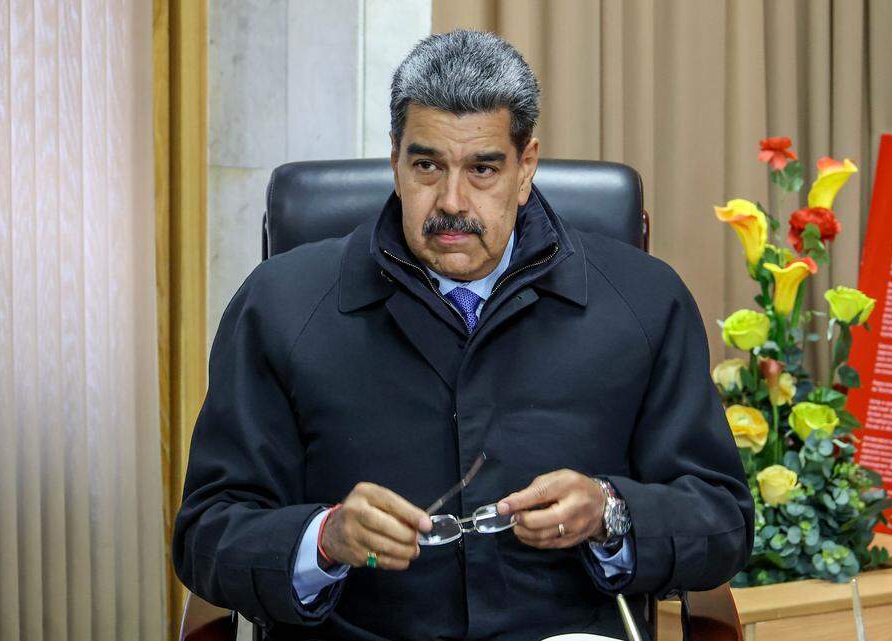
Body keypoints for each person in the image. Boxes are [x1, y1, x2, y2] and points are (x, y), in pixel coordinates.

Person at [173, 29, 753, 641]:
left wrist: (610, 513)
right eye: (427, 165)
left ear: (525, 168)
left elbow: (721, 521)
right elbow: (207, 533)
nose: (452, 202)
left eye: (483, 169)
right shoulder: (279, 305)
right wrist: (325, 538)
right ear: (395, 162)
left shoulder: (646, 300)